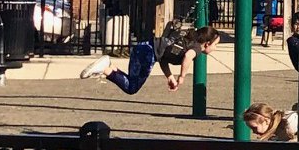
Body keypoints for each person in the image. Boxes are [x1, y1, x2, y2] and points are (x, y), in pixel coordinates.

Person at [80, 23, 219, 94]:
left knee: (131, 82)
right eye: (215, 45)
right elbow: (188, 57)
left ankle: (110, 68)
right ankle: (105, 69)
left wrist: (169, 76)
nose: (215, 48)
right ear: (207, 43)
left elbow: (163, 58)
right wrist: (182, 77)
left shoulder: (186, 43)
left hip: (143, 47)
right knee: (131, 88)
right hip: (148, 53)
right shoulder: (195, 48)